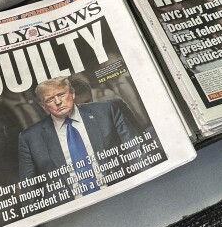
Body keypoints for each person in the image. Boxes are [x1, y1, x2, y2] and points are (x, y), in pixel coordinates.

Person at [18, 76, 140, 213]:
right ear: (42, 105)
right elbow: (29, 192)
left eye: (61, 95)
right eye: (50, 99)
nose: (58, 102)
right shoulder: (30, 138)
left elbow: (137, 153)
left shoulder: (106, 111)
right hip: (73, 214)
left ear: (72, 93)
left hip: (121, 196)